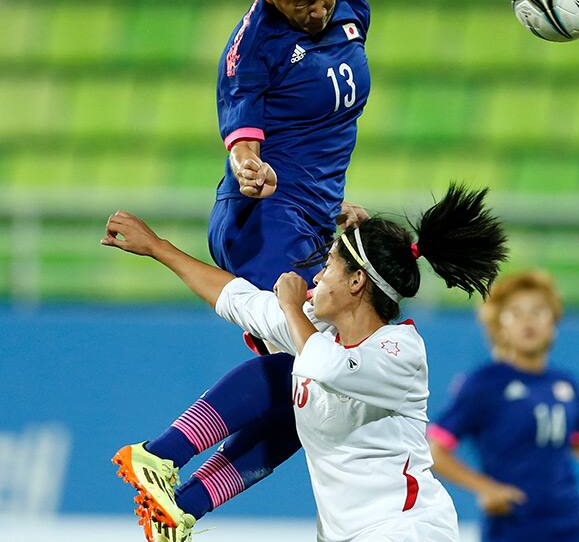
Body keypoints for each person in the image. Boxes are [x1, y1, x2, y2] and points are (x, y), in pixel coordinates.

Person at [109, 0, 375, 540]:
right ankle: (161, 454)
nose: (315, 9)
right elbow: (243, 129)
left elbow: (320, 124)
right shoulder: (250, 48)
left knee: (319, 393)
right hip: (263, 219)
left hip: (311, 217)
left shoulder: (353, 13)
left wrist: (328, 203)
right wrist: (249, 164)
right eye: (298, 1)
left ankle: (185, 504)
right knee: (311, 361)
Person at [103, 184, 508, 541]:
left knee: (292, 370)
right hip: (342, 534)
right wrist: (157, 247)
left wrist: (292, 307)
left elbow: (328, 367)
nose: (315, 277)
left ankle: (164, 464)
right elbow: (236, 298)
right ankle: (178, 498)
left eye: (329, 264)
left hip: (406, 528)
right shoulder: (316, 331)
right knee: (292, 387)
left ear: (356, 282)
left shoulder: (401, 350)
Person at [427, 269, 579, 542]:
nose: (528, 320)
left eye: (539, 311)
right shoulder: (485, 383)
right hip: (514, 527)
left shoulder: (564, 383)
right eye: (516, 312)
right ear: (498, 325)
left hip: (571, 524)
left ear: (554, 320)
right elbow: (436, 450)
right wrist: (485, 488)